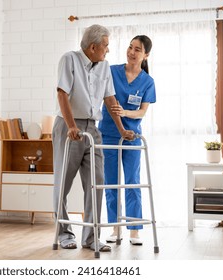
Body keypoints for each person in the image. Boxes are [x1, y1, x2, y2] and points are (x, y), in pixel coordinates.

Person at [53, 24, 135, 252]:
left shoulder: (104, 66)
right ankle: (64, 233)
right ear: (93, 46)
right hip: (68, 127)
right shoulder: (69, 60)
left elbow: (110, 100)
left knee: (96, 182)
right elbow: (62, 94)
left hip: (92, 128)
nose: (108, 50)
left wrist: (122, 130)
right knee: (63, 184)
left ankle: (90, 237)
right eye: (105, 46)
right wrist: (70, 126)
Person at [98, 35, 156, 245]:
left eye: (137, 50)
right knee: (111, 182)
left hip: (132, 137)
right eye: (130, 47)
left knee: (132, 182)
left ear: (146, 55)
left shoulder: (148, 82)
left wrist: (124, 112)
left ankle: (133, 230)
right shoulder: (111, 71)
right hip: (108, 134)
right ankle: (115, 229)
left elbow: (141, 112)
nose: (131, 52)